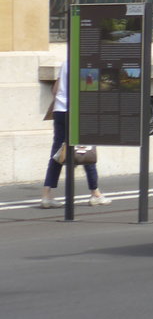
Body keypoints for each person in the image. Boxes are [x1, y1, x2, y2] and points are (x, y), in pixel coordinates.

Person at [41, 58, 111, 208]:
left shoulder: (66, 61)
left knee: (58, 152)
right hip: (78, 111)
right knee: (86, 149)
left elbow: (55, 90)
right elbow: (89, 89)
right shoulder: (89, 62)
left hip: (60, 111)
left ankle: (46, 195)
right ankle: (95, 193)